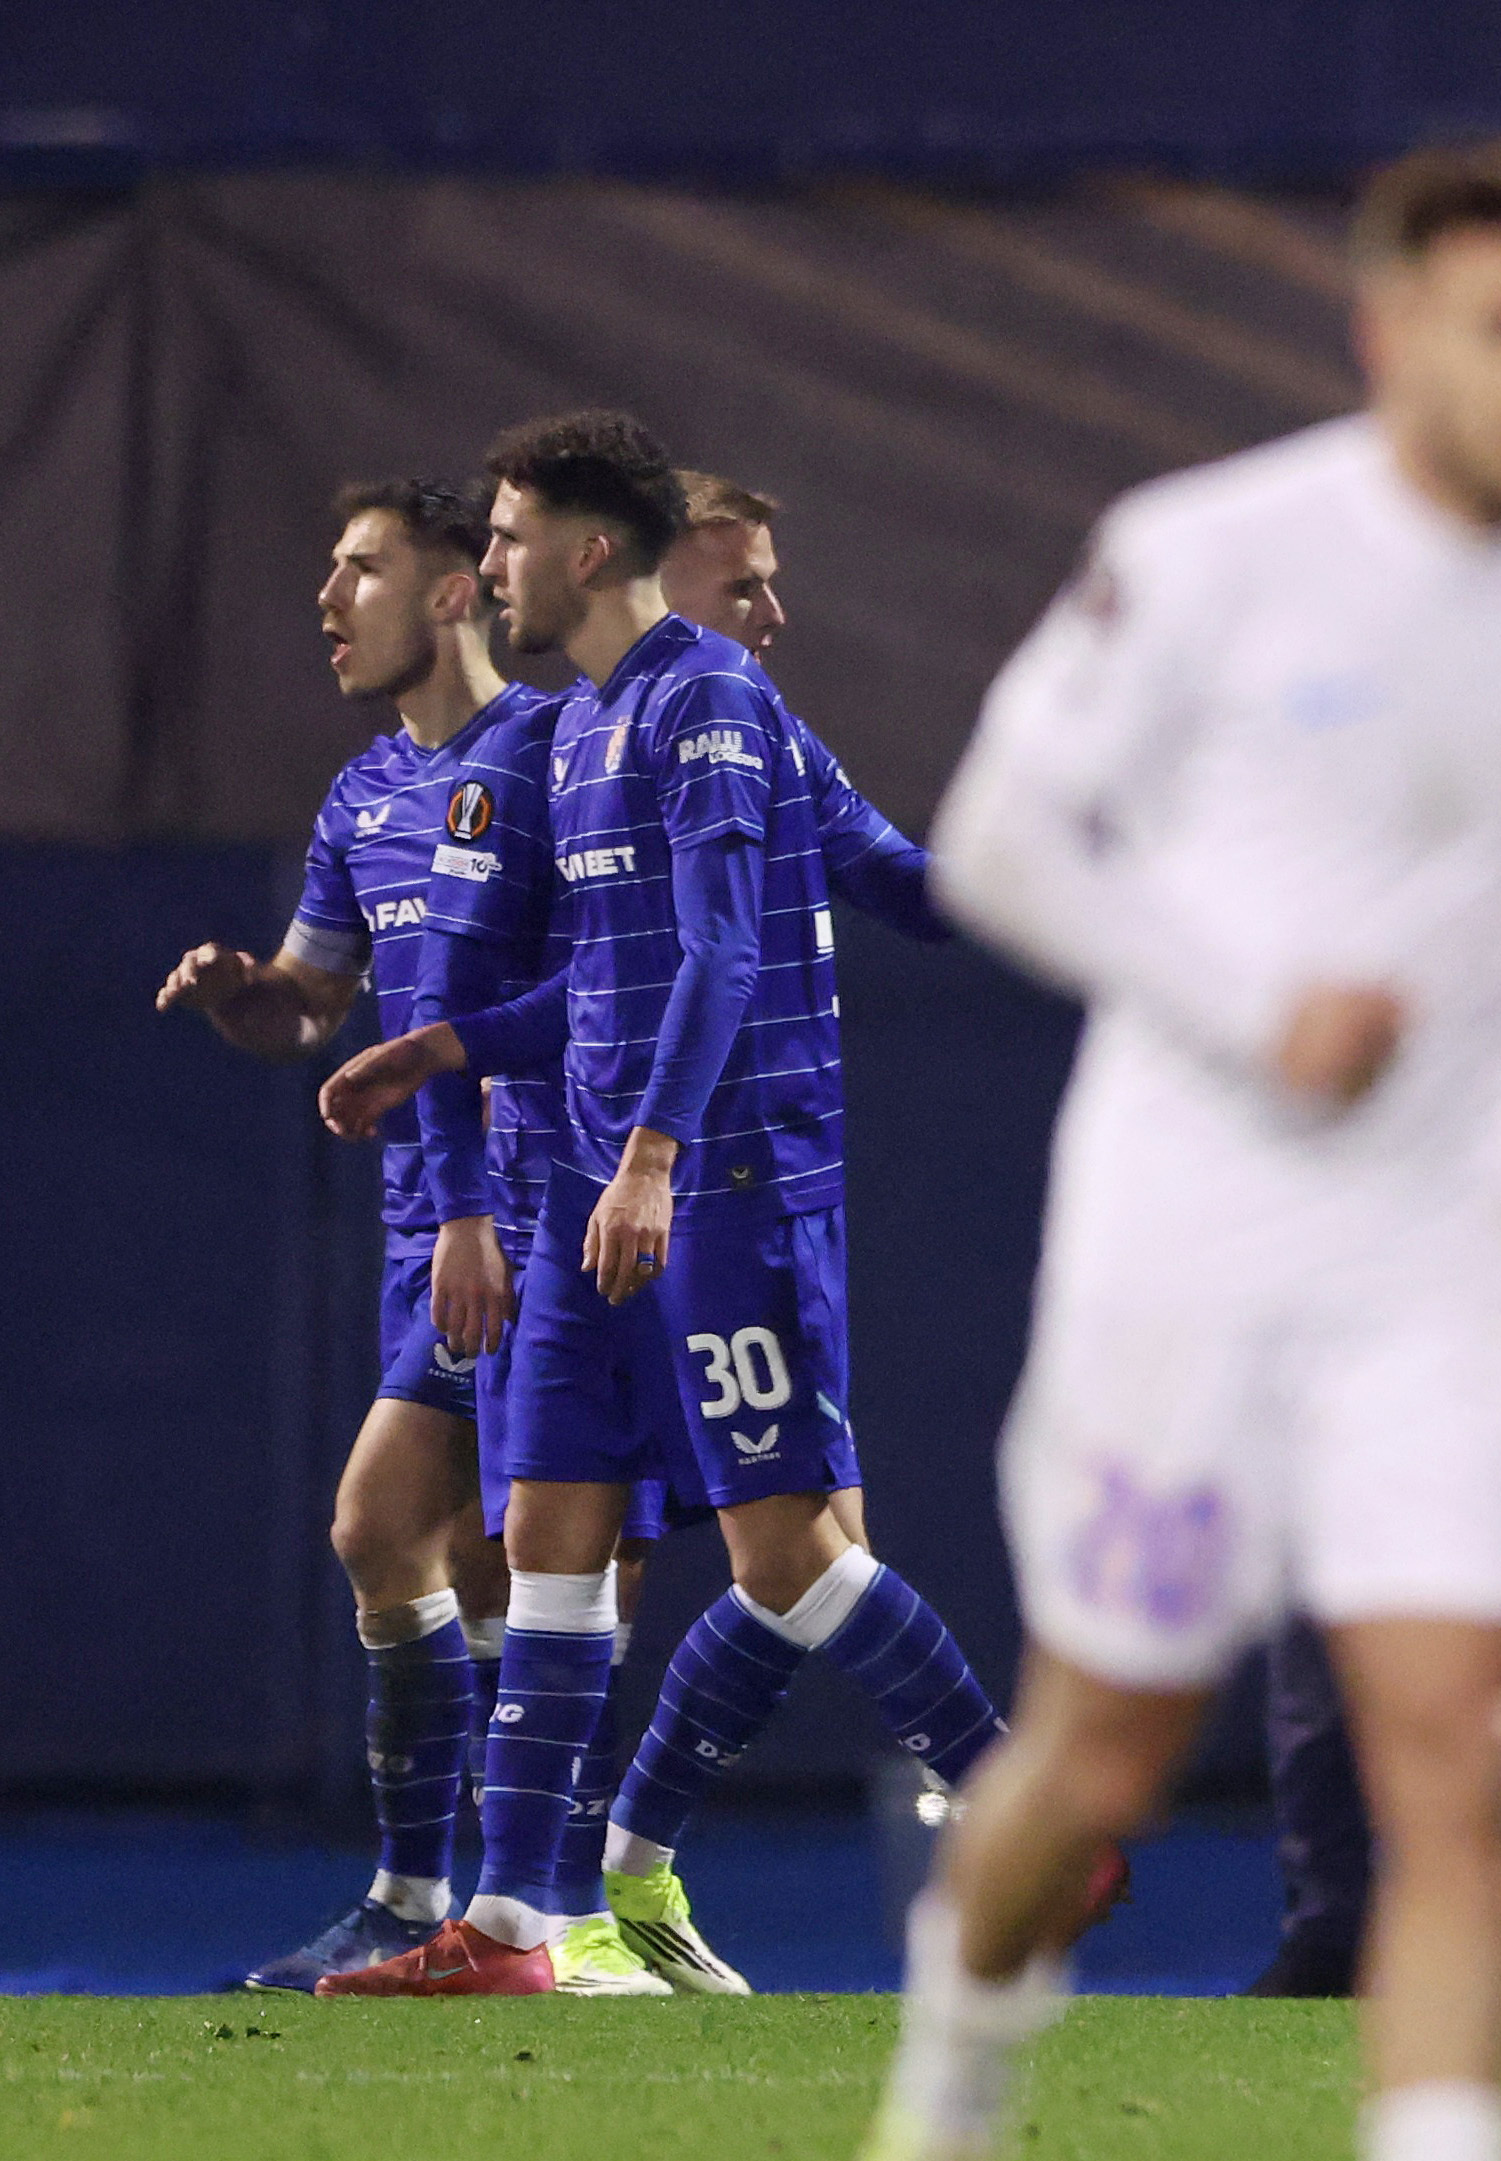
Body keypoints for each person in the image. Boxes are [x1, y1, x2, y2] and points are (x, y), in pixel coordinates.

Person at [865, 139, 1501, 2161]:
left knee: (1463, 1754)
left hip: (1455, 1257)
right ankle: (957, 2076)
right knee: (1102, 1750)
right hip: (1194, 1247)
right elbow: (997, 833)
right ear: (1389, 330)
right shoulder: (1209, 552)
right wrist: (1257, 1009)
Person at [312, 409, 1001, 1996]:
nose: (769, 614)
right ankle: (530, 1913)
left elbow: (855, 904)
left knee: (784, 1558)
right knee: (574, 1540)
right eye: (745, 581)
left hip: (703, 1182)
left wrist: (1094, 884)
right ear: (657, 553)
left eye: (504, 540)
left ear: (587, 549)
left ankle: (642, 1867)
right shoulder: (556, 742)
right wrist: (449, 1086)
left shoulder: (722, 710)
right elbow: (532, 978)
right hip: (595, 1199)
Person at [154, 480, 523, 1992]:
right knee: (483, 1568)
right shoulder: (363, 792)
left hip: (523, 1216)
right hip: (421, 1225)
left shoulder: (555, 760)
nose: (327, 596)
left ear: (451, 592)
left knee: (404, 1529)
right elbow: (315, 1000)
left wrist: (494, 1204)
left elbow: (590, 1005)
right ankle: (492, 1910)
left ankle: (450, 1896)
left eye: (360, 567)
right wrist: (257, 997)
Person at [1247, 1044, 1501, 1999]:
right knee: (1316, 1655)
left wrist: (1493, 1169)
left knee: (1489, 1656)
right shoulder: (1303, 972)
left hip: (1489, 1356)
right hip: (1329, 1350)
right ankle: (1329, 1925)